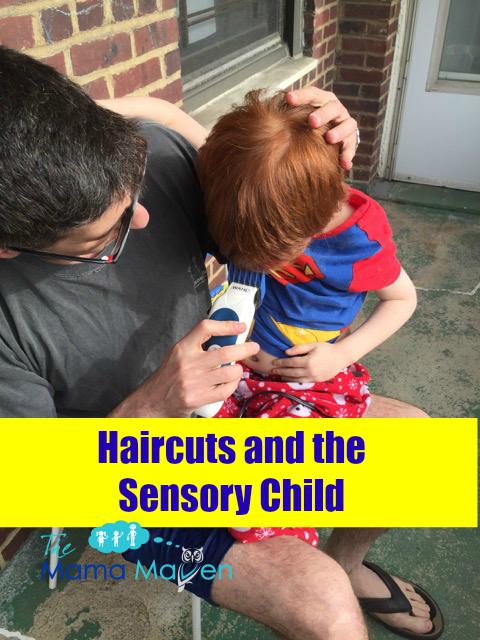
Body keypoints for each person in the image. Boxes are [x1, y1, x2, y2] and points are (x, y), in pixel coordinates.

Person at [0, 46, 439, 639]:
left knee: (414, 447)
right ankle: (328, 575)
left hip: (232, 400)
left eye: (134, 193)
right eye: (106, 238)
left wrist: (311, 153)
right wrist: (151, 407)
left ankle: (346, 562)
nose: (145, 220)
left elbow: (216, 153)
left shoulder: (140, 162)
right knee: (327, 613)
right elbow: (42, 491)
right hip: (125, 479)